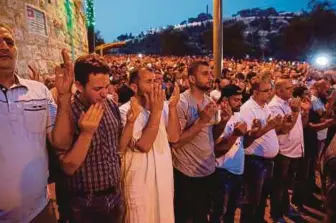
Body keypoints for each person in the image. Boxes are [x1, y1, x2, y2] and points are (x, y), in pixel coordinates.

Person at [0, 22, 74, 222]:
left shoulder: (39, 91)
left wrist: (64, 98)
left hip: (40, 211)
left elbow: (61, 143)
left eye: (9, 42)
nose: (4, 47)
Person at [57, 54, 123, 223]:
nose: (104, 93)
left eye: (107, 86)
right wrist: (86, 133)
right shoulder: (68, 113)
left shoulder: (111, 105)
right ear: (79, 85)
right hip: (83, 203)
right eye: (97, 89)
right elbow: (67, 167)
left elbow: (117, 147)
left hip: (114, 196)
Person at [119, 67, 181, 223]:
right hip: (139, 183)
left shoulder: (164, 107)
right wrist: (156, 111)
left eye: (155, 81)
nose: (154, 85)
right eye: (148, 82)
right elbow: (143, 145)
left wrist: (172, 107)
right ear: (134, 87)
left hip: (163, 181)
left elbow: (174, 137)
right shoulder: (126, 111)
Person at [172, 61, 227, 223]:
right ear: (192, 79)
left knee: (203, 216)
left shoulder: (209, 101)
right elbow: (176, 142)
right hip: (187, 174)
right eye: (205, 73)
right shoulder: (181, 103)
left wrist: (223, 121)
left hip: (208, 171)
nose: (210, 77)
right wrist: (201, 121)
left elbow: (212, 135)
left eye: (210, 73)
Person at [239, 74, 282, 223]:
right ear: (255, 93)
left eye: (270, 90)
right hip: (254, 161)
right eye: (266, 91)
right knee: (251, 200)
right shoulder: (248, 109)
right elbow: (249, 136)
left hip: (266, 161)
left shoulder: (264, 107)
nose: (270, 93)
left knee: (262, 197)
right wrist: (269, 126)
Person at [268, 79, 305, 221]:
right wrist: (296, 112)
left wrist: (303, 113)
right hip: (283, 151)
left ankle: (285, 208)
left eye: (292, 88)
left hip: (294, 150)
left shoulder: (291, 103)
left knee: (287, 183)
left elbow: (300, 125)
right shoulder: (274, 106)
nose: (292, 90)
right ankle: (276, 214)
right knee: (279, 184)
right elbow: (283, 129)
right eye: (288, 88)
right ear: (278, 91)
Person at [211, 84, 247, 223]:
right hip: (222, 171)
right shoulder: (218, 117)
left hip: (237, 171)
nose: (240, 103)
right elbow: (217, 150)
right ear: (225, 100)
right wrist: (235, 135)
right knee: (219, 212)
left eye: (240, 99)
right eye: (236, 100)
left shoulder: (237, 115)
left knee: (231, 212)